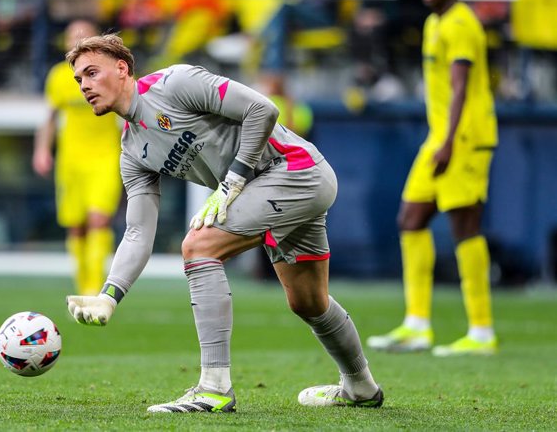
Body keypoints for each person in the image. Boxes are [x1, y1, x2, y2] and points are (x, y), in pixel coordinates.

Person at [64, 34, 383, 413]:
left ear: (122, 68)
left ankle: (214, 387)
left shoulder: (175, 83)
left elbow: (263, 110)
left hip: (296, 171)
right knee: (308, 302)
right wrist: (109, 295)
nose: (84, 85)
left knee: (199, 246)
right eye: (78, 79)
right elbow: (138, 231)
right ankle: (361, 387)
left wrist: (233, 180)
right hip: (275, 188)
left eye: (91, 72)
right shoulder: (132, 151)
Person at [367, 0, 499, 356]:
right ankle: (417, 324)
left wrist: (448, 142)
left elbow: (461, 86)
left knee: (464, 225)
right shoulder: (433, 22)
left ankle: (481, 330)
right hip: (439, 139)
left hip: (464, 140)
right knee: (410, 220)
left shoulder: (461, 24)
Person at [32, 20, 122, 296]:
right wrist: (42, 150)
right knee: (76, 226)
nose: (78, 42)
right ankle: (82, 284)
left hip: (105, 155)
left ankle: (96, 287)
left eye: (85, 38)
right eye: (74, 37)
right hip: (71, 159)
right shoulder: (59, 77)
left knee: (99, 218)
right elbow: (50, 118)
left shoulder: (108, 75)